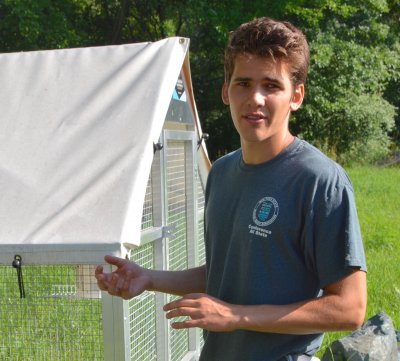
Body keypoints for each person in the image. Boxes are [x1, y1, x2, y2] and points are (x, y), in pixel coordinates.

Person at [95, 17, 367, 361]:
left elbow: (349, 308)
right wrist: (149, 278)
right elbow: (230, 274)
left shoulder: (320, 181)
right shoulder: (221, 173)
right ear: (226, 91)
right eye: (243, 83)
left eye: (271, 85)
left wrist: (236, 316)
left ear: (296, 96)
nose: (255, 98)